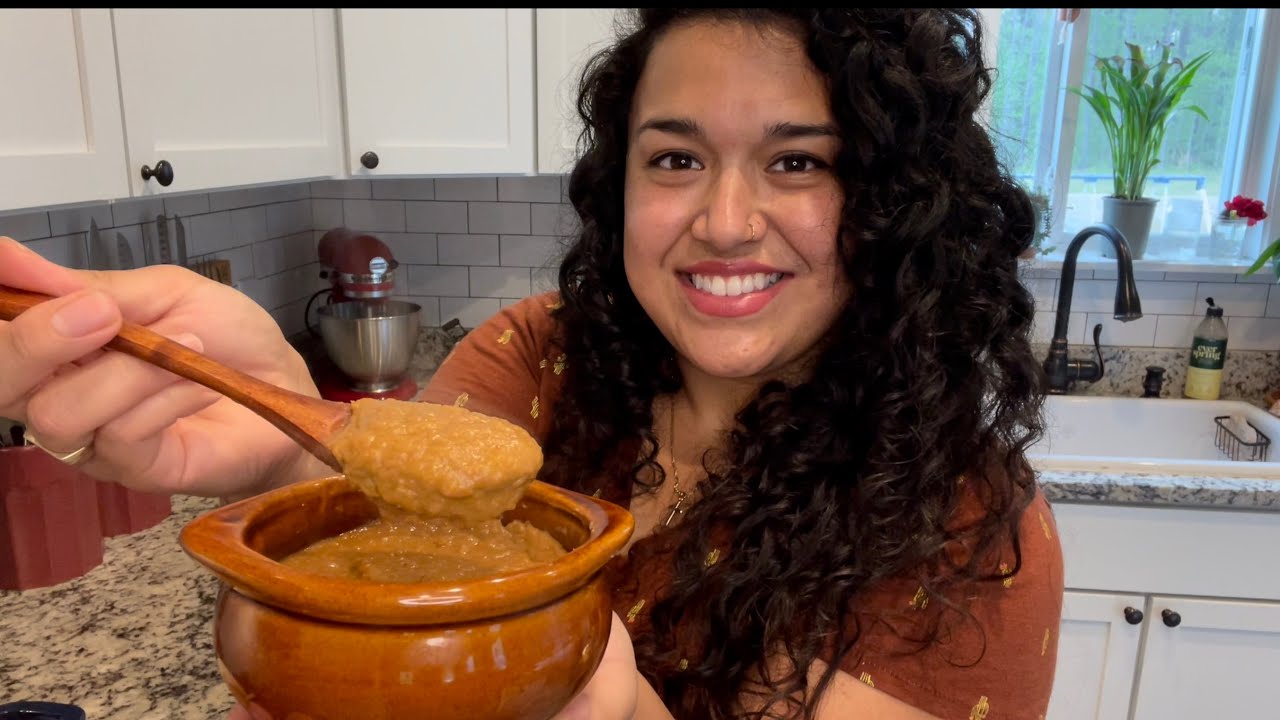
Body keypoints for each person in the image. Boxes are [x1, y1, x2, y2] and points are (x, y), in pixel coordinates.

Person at [0, 8, 1064, 719]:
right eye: (676, 158)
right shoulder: (541, 352)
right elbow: (390, 517)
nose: (725, 221)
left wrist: (578, 676)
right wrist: (278, 441)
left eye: (797, 161)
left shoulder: (965, 526)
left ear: (894, 201)